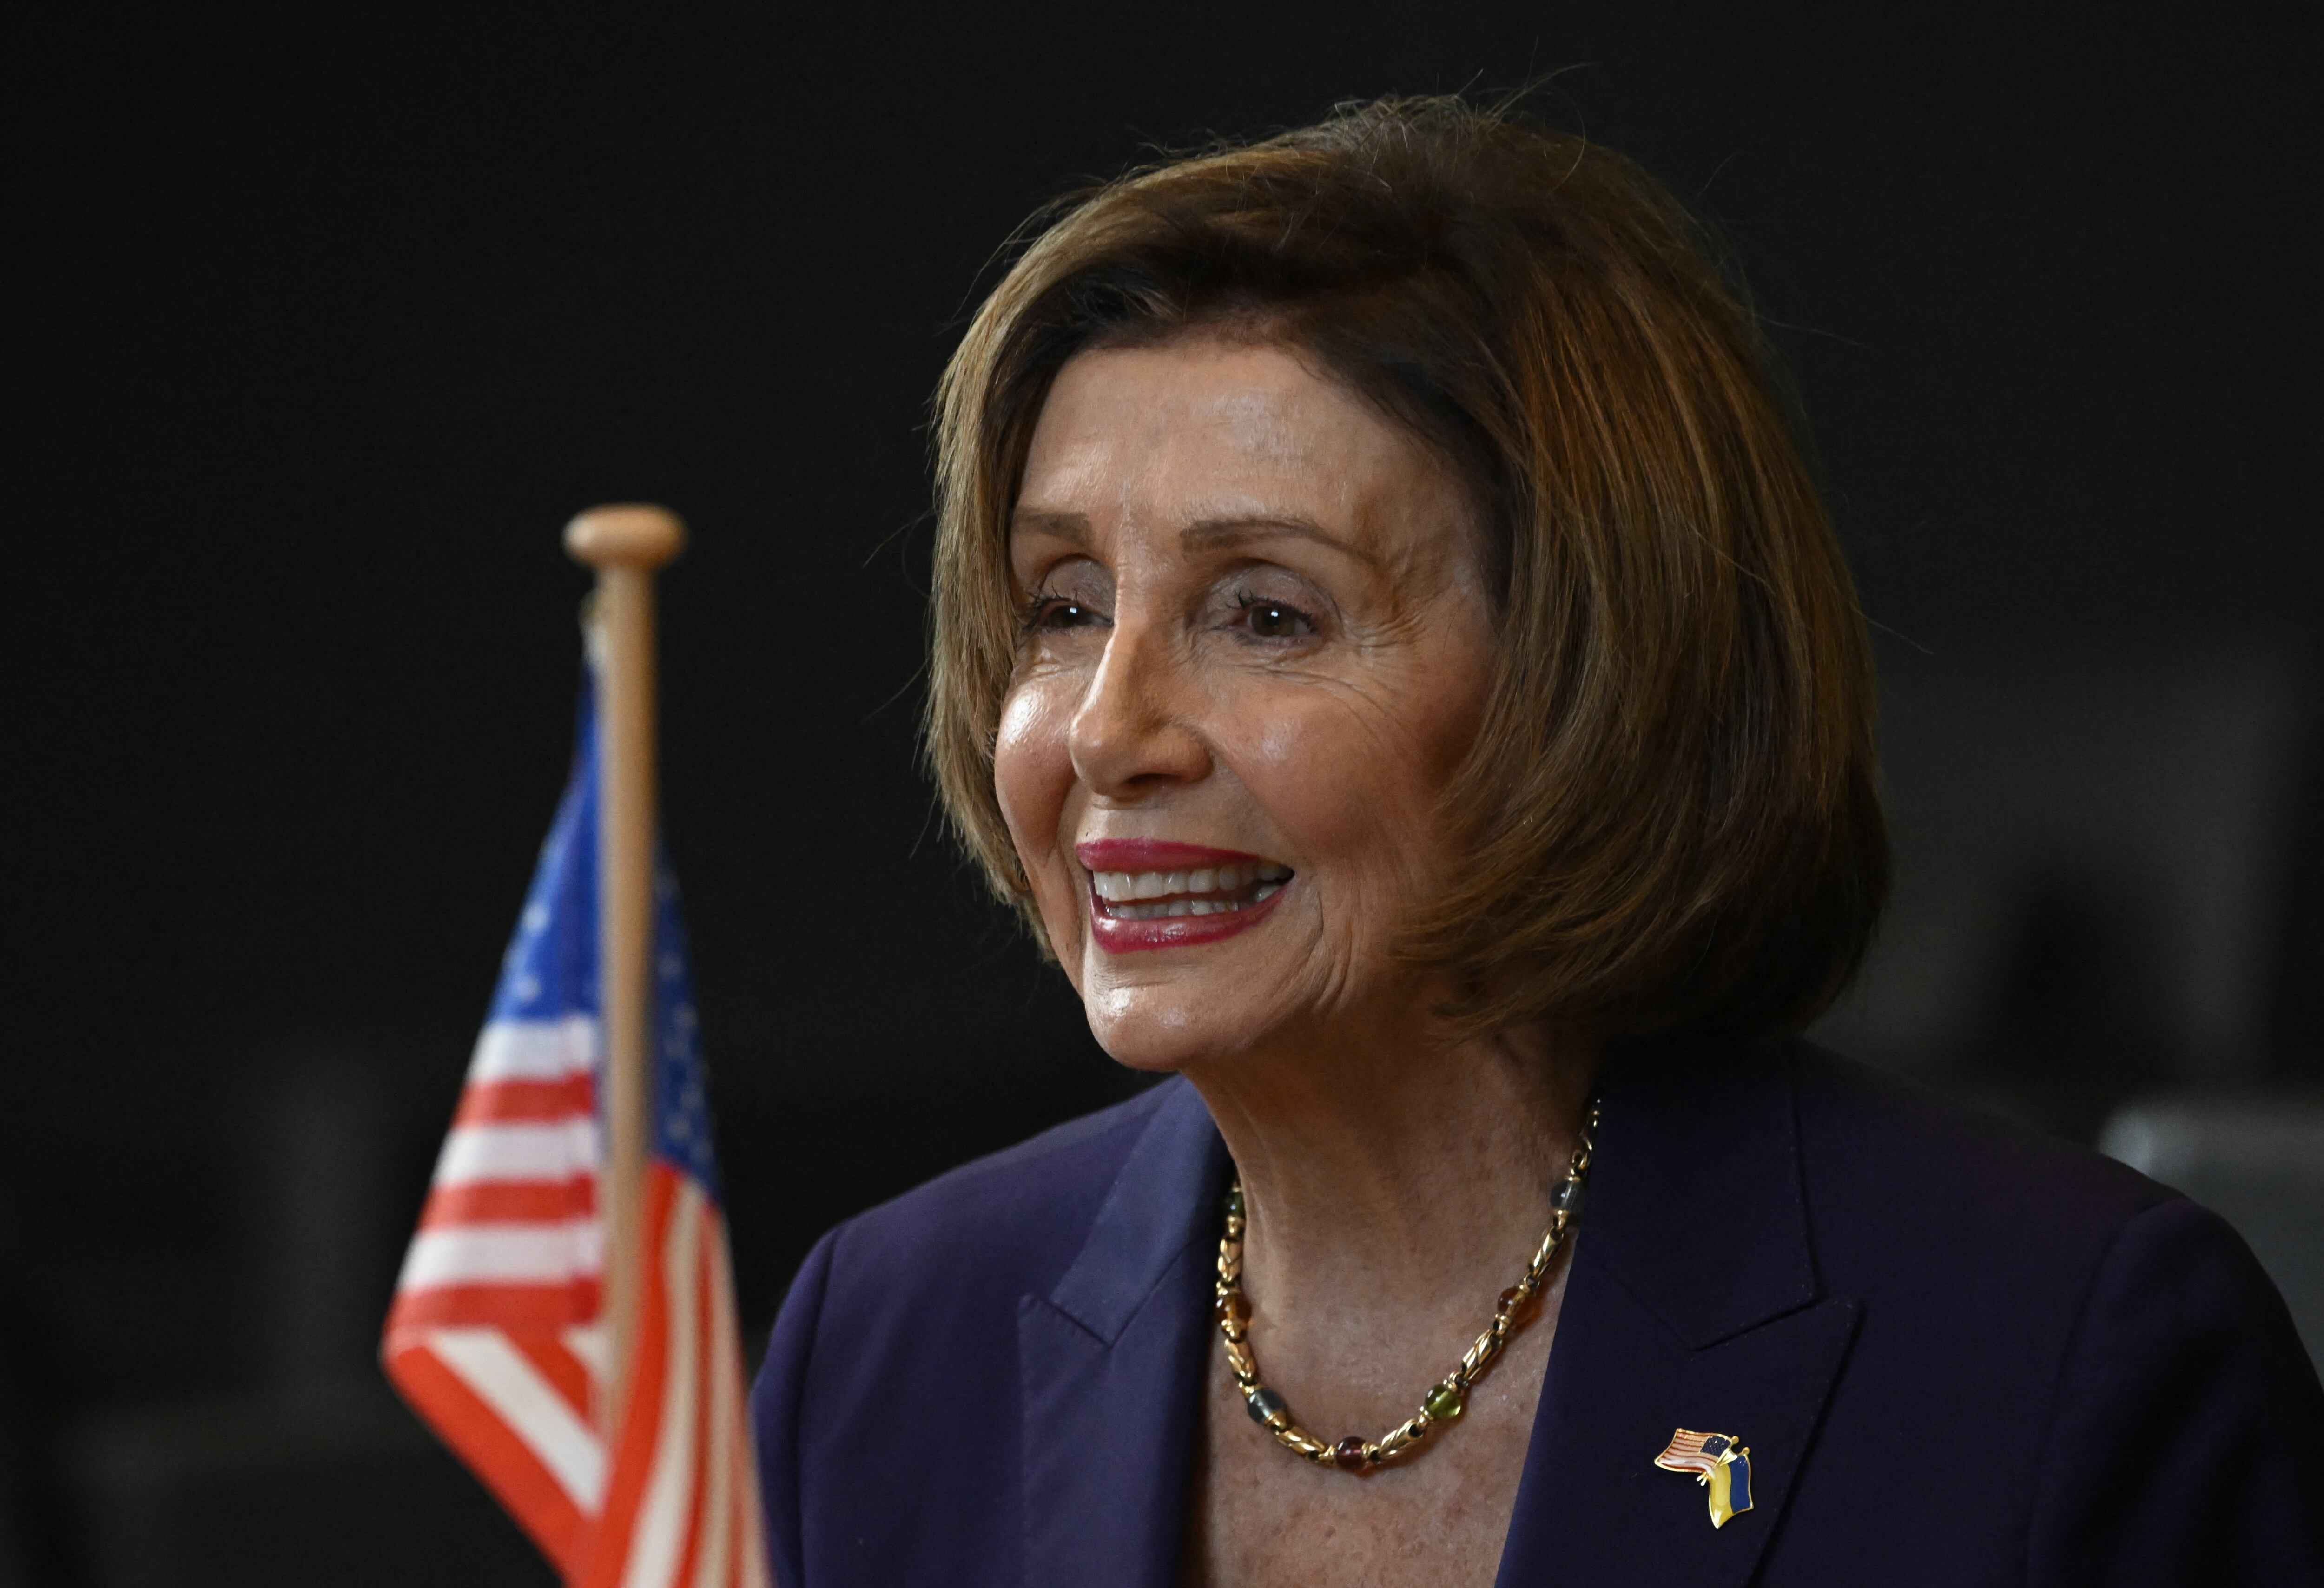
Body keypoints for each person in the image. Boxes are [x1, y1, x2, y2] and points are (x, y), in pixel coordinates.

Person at [749, 96, 2324, 1586]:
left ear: (1589, 680)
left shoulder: (2060, 1349)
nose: (1105, 728)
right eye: (1066, 606)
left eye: (1267, 614)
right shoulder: (888, 1342)